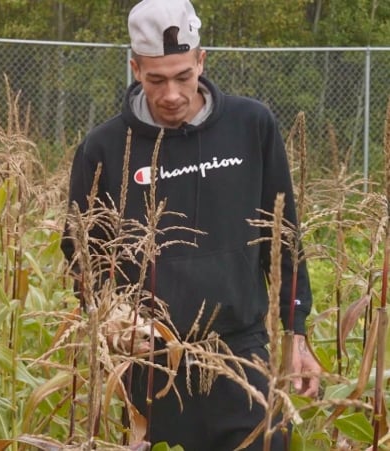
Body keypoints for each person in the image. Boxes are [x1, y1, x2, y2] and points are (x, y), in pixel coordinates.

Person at [60, 0, 321, 449]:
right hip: (154, 364)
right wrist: (113, 316)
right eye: (156, 79)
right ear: (135, 68)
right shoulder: (103, 148)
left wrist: (295, 332)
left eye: (183, 76)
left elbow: (282, 235)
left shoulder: (251, 125)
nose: (172, 94)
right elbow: (82, 252)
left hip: (242, 353)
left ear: (201, 61)